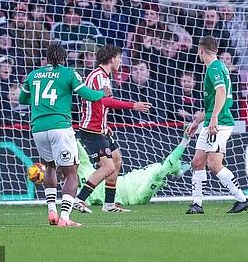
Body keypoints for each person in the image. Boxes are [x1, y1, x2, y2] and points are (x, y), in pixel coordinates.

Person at [18, 42, 110, 227]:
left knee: (50, 167)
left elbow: (22, 99)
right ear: (63, 57)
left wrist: (40, 100)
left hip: (38, 129)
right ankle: (65, 218)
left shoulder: (33, 75)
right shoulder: (68, 73)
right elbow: (87, 94)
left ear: (46, 57)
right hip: (59, 127)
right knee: (71, 173)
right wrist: (102, 93)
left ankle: (52, 211)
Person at [73, 44, 152, 213]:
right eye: (119, 57)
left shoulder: (102, 76)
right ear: (111, 59)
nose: (120, 61)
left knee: (116, 160)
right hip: (91, 130)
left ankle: (109, 204)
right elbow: (105, 101)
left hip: (99, 128)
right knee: (107, 167)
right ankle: (79, 199)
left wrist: (105, 124)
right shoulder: (99, 76)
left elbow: (97, 105)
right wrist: (133, 106)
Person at [184, 36, 248, 214]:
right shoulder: (218, 67)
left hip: (220, 123)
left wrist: (213, 118)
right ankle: (197, 204)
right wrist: (197, 121)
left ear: (200, 50)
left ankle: (241, 199)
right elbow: (214, 102)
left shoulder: (214, 67)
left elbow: (221, 92)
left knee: (214, 164)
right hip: (211, 122)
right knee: (197, 161)